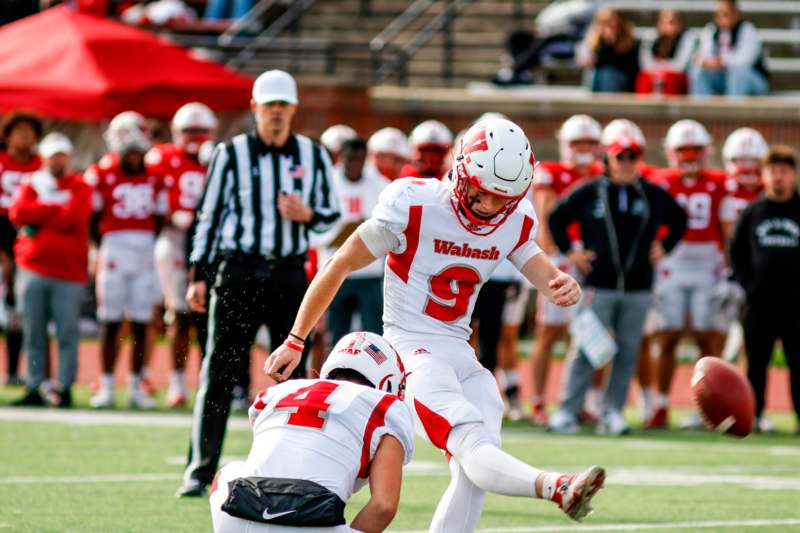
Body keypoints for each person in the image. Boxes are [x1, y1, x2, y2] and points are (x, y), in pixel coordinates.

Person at [265, 117, 606, 530]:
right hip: (413, 353)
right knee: (472, 443)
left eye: (503, 199)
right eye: (482, 194)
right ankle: (556, 486)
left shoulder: (516, 220)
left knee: (474, 470)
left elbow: (538, 266)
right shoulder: (414, 205)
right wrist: (296, 339)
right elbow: (338, 265)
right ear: (461, 172)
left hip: (461, 352)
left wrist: (559, 284)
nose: (491, 208)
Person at [177, 69, 340, 498]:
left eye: (283, 106)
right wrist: (198, 275)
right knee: (220, 369)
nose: (276, 114)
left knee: (294, 375)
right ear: (255, 109)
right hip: (240, 270)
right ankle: (200, 468)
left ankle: (293, 467)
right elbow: (208, 216)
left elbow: (332, 214)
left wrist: (307, 216)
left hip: (288, 271)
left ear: (293, 110)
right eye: (269, 106)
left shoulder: (313, 154)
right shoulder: (230, 154)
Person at [547, 120, 687, 436]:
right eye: (619, 156)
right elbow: (555, 216)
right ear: (608, 158)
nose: (625, 162)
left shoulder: (652, 193)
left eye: (632, 156)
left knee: (628, 350)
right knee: (585, 347)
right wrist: (571, 251)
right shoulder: (589, 190)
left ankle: (613, 412)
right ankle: (568, 410)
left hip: (638, 287)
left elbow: (680, 219)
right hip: (598, 285)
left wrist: (664, 246)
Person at [210, 331, 413, 533]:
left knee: (229, 471)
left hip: (238, 514)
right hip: (310, 521)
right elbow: (383, 506)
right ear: (389, 380)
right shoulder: (386, 407)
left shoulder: (275, 393)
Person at [647, 119, 727, 430]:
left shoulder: (721, 182)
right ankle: (661, 405)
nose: (689, 157)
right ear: (670, 152)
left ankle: (710, 407)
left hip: (708, 261)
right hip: (674, 261)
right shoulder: (659, 181)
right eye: (683, 151)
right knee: (668, 336)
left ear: (707, 151)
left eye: (695, 151)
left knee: (708, 338)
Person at [529, 114, 604, 425]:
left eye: (589, 143)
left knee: (595, 335)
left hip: (591, 261)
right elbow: (545, 220)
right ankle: (538, 402)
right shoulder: (551, 173)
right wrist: (559, 257)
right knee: (548, 332)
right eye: (578, 143)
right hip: (559, 260)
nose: (584, 149)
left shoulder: (603, 174)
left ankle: (587, 402)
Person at [85, 111, 163, 409]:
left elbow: (158, 218)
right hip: (114, 247)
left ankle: (136, 385)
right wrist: (96, 250)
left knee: (142, 321)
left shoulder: (154, 176)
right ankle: (105, 385)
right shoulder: (101, 173)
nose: (132, 156)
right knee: (110, 320)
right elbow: (92, 217)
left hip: (144, 249)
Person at [9, 133, 92, 408]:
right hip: (33, 267)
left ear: (68, 157)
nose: (58, 160)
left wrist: (42, 213)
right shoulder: (33, 183)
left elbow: (75, 217)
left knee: (67, 331)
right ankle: (34, 384)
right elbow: (19, 212)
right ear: (44, 157)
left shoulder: (80, 185)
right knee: (33, 331)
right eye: (53, 155)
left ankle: (64, 387)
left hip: (68, 271)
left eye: (62, 155)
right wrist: (55, 206)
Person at [147, 102, 217, 408]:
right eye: (189, 131)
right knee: (179, 313)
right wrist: (170, 215)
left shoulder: (219, 157)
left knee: (210, 317)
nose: (195, 137)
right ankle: (177, 384)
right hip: (175, 240)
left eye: (201, 131)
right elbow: (145, 199)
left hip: (211, 243)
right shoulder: (162, 157)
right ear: (177, 132)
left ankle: (208, 382)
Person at [730, 145, 800, 434]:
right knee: (756, 364)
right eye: (772, 172)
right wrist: (748, 285)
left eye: (783, 171)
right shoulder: (753, 212)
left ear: (793, 175)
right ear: (764, 175)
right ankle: (754, 416)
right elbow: (736, 252)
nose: (778, 177)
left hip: (796, 304)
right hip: (759, 303)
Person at [316, 138, 387, 345]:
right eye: (350, 160)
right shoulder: (326, 184)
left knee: (373, 336)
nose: (355, 165)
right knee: (335, 336)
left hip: (369, 272)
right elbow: (315, 228)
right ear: (341, 158)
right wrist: (339, 233)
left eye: (359, 160)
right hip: (334, 271)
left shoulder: (380, 185)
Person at [0, 112, 42, 386]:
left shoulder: (42, 165)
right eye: (19, 131)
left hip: (30, 246)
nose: (25, 137)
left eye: (30, 131)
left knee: (18, 314)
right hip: (2, 238)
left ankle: (14, 371)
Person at [691, 0, 769, 97]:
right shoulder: (711, 30)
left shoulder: (748, 30)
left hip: (753, 79)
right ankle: (701, 110)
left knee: (738, 75)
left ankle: (735, 111)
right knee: (701, 74)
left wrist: (721, 62)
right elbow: (704, 54)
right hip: (724, 79)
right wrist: (706, 62)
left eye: (726, 13)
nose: (722, 17)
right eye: (718, 14)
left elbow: (745, 61)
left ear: (736, 13)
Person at [577, 8, 640, 93]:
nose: (607, 28)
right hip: (600, 79)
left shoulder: (630, 42)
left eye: (610, 24)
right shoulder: (596, 40)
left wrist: (610, 42)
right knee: (595, 74)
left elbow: (624, 64)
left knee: (608, 73)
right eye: (603, 24)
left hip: (623, 81)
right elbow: (586, 61)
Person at [637, 9, 697, 95]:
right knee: (644, 78)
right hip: (654, 76)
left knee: (668, 78)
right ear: (659, 23)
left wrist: (661, 68)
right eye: (664, 20)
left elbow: (681, 66)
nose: (668, 23)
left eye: (673, 21)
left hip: (678, 79)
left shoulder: (688, 37)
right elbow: (645, 65)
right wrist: (660, 72)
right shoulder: (650, 36)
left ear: (680, 23)